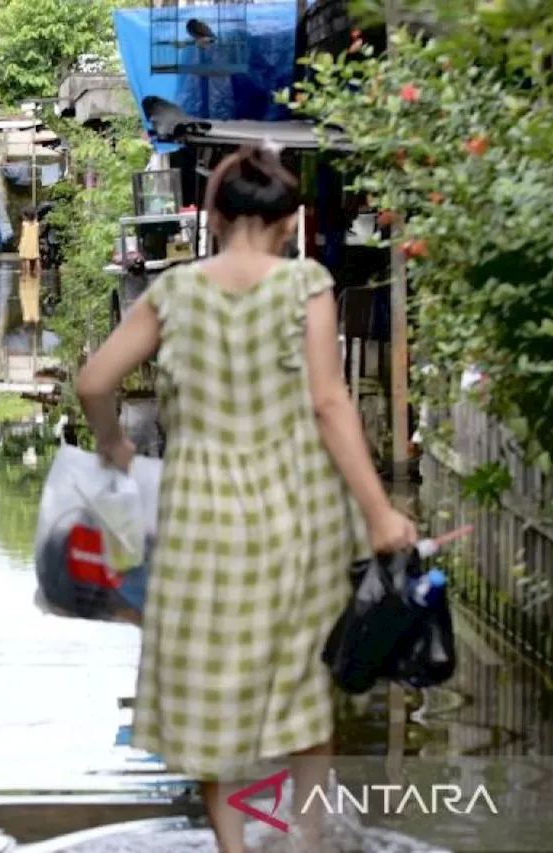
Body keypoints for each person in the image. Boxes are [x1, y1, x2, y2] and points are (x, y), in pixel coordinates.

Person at [75, 145, 417, 853]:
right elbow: (329, 403)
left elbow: (94, 381)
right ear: (289, 221)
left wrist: (113, 446)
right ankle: (305, 839)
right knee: (301, 685)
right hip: (298, 514)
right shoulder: (307, 286)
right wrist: (381, 511)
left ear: (220, 217)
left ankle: (234, 849)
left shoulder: (174, 293)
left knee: (209, 685)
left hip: (200, 515)